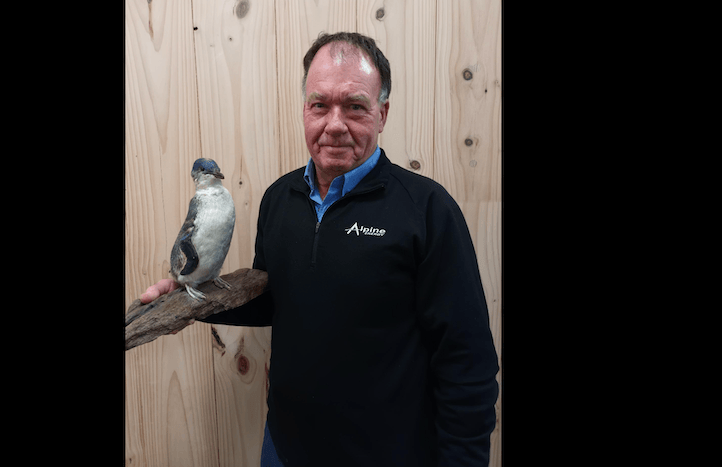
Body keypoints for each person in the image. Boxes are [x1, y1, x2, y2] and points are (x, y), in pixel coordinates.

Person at [139, 32, 499, 467]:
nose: (334, 124)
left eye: (354, 106)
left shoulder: (427, 210)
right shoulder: (278, 199)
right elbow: (275, 295)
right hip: (285, 449)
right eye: (320, 104)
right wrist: (189, 301)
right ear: (305, 110)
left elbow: (468, 362)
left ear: (382, 114)